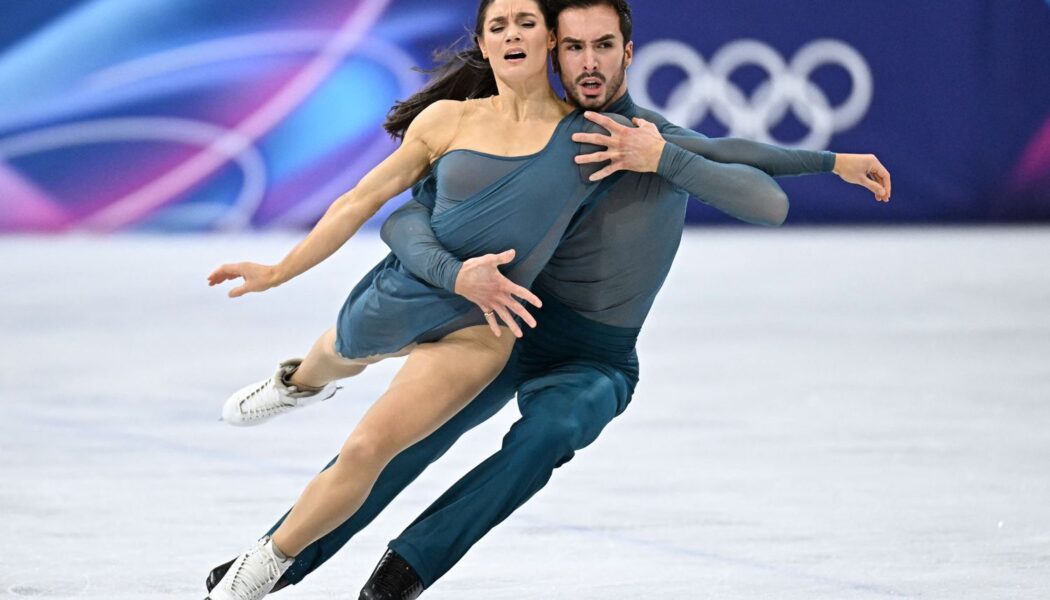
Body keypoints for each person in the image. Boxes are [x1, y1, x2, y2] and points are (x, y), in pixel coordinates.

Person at [203, 1, 797, 599]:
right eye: (575, 46)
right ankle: (281, 556)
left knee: (545, 435)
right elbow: (402, 217)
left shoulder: (635, 138)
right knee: (399, 440)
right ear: (554, 52)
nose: (589, 61)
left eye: (604, 45)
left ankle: (407, 567)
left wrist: (812, 162)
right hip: (506, 320)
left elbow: (750, 176)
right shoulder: (468, 123)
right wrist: (450, 275)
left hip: (590, 355)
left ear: (628, 51)